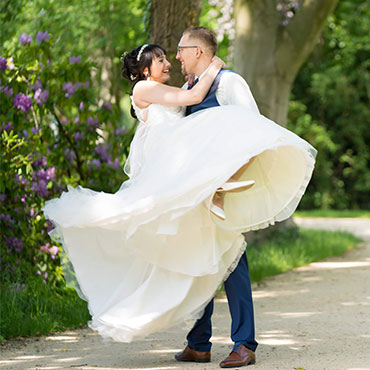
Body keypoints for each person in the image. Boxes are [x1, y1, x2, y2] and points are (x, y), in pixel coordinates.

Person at [42, 32, 316, 368]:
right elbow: (186, 116)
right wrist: (210, 70)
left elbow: (251, 133)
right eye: (163, 57)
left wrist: (226, 180)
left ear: (196, 51)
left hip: (213, 186)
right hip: (180, 186)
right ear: (145, 70)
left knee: (231, 258)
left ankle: (243, 343)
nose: (173, 58)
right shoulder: (184, 90)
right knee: (193, 259)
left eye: (179, 51)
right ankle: (198, 343)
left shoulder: (228, 84)